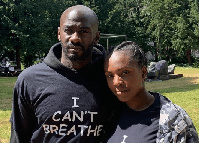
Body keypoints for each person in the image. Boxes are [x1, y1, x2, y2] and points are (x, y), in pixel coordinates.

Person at [10, 5, 118, 143]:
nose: (75, 38)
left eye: (84, 31)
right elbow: (19, 137)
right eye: (68, 30)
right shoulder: (30, 79)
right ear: (59, 33)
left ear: (96, 37)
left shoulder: (111, 77)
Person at [104, 41, 199, 143]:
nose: (116, 82)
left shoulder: (173, 120)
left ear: (143, 73)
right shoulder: (110, 113)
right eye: (110, 75)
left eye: (125, 72)